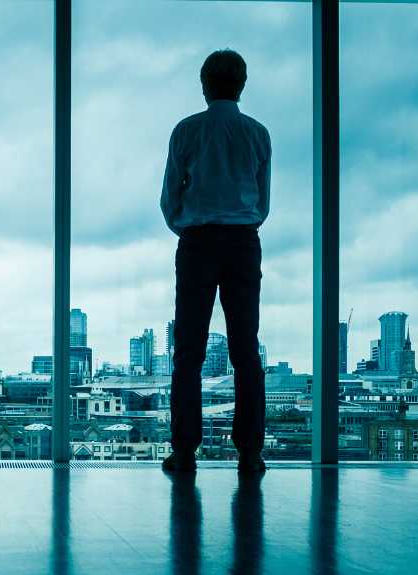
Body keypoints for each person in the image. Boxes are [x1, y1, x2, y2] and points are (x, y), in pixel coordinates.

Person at [160, 49, 270, 474]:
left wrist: (184, 226)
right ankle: (250, 452)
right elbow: (262, 200)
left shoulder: (186, 131)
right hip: (243, 241)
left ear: (204, 84)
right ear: (242, 84)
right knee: (246, 350)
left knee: (189, 351)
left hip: (198, 242)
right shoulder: (258, 134)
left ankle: (185, 450)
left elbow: (171, 192)